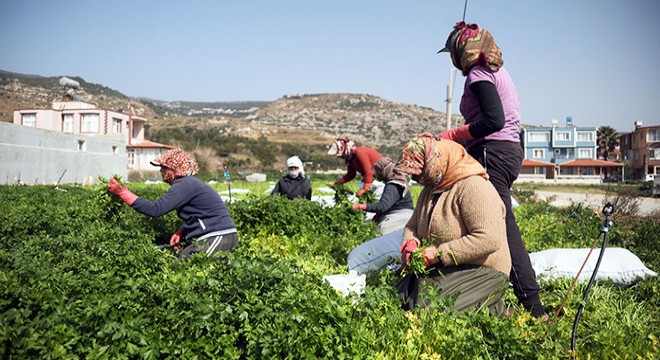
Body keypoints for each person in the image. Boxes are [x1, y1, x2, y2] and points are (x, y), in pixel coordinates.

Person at [437, 21, 546, 318]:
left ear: (462, 51)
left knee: (500, 227)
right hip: (507, 151)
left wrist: (453, 135)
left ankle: (533, 307)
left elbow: (494, 121)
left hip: (491, 152)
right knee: (489, 220)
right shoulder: (496, 69)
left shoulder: (478, 74)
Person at [397, 133, 511, 316]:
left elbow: (489, 239)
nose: (417, 179)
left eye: (420, 172)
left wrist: (438, 253)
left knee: (428, 312)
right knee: (399, 298)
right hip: (447, 266)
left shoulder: (473, 187)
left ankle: (494, 308)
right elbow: (412, 226)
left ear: (434, 164)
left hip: (482, 270)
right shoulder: (430, 190)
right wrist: (410, 244)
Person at [107, 148, 238, 258]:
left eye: (164, 167)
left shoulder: (185, 184)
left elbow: (155, 209)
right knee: (179, 264)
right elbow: (198, 214)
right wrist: (182, 231)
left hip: (217, 236)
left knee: (191, 271)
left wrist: (122, 192)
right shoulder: (187, 184)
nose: (161, 171)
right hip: (214, 236)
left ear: (176, 169)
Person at [351, 157, 414, 235]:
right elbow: (390, 203)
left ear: (383, 171)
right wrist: (379, 215)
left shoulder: (393, 185)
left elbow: (382, 206)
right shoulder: (398, 180)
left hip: (401, 216)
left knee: (379, 232)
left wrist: (360, 206)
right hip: (404, 214)